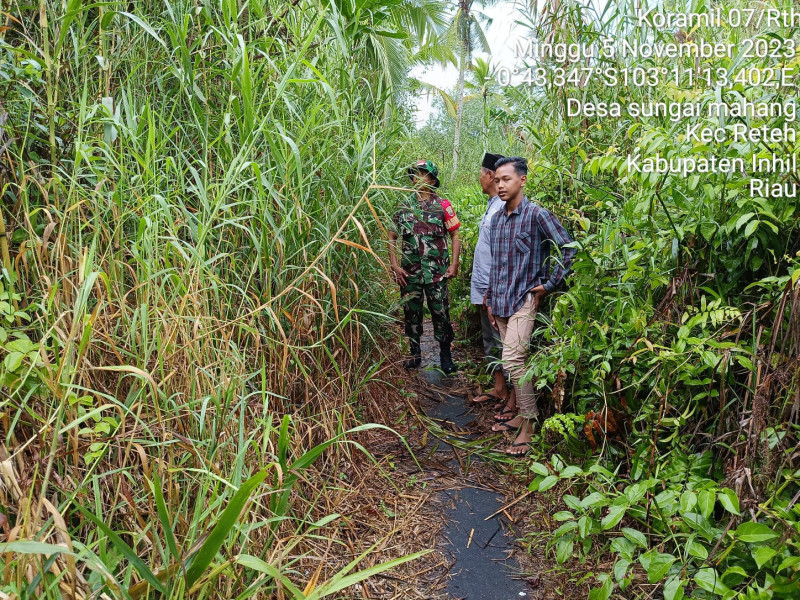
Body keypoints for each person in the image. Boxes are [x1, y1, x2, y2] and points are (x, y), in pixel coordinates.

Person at [484, 156, 576, 456]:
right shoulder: (497, 220)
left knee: (513, 361)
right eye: (497, 179)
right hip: (500, 300)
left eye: (506, 179)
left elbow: (569, 248)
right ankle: (521, 416)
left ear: (522, 180)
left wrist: (550, 284)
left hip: (524, 298)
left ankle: (530, 422)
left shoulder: (537, 215)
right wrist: (489, 297)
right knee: (513, 363)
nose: (500, 185)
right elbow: (496, 263)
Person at [389, 159, 461, 374]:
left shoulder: (443, 205)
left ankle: (445, 355)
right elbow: (391, 236)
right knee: (411, 313)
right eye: (415, 174)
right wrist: (394, 265)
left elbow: (455, 234)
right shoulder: (403, 205)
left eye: (423, 173)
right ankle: (414, 353)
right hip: (409, 273)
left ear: (432, 179)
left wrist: (454, 263)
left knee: (441, 313)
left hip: (437, 273)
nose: (417, 177)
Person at [470, 153, 516, 416]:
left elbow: (503, 255)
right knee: (490, 339)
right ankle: (499, 388)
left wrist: (493, 291)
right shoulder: (492, 205)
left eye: (481, 173)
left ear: (489, 175)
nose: (480, 178)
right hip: (484, 285)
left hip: (494, 288)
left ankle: (513, 397)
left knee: (502, 341)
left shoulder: (502, 207)